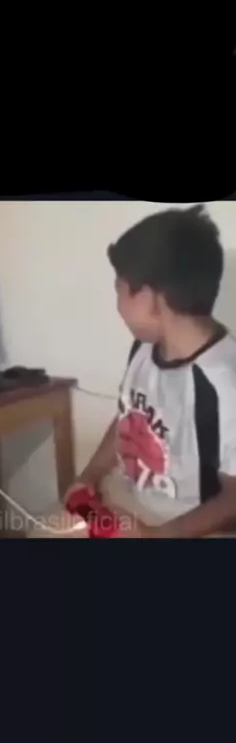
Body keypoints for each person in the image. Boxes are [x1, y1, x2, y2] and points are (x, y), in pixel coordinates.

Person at [65, 203, 236, 538]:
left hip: (193, 527)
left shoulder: (224, 383)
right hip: (134, 502)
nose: (117, 305)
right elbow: (129, 418)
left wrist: (156, 535)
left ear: (150, 299)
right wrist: (90, 476)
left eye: (119, 289)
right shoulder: (143, 348)